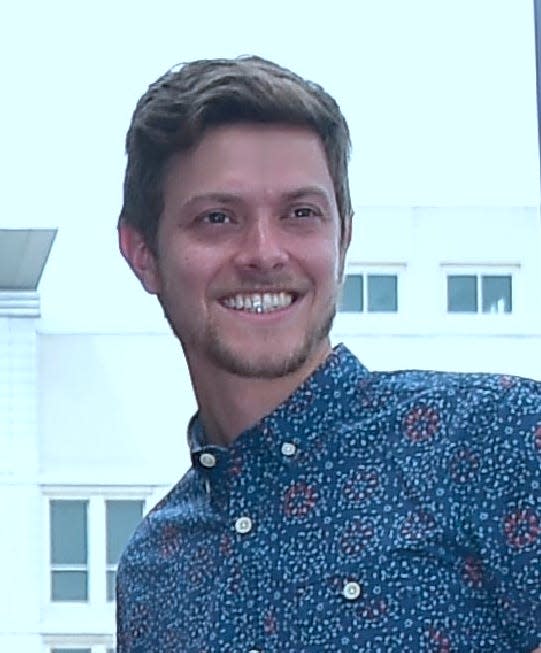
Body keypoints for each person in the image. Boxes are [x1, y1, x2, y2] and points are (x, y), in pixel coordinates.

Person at [116, 56, 541, 652]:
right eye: (218, 218)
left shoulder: (498, 437)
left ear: (343, 236)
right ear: (142, 254)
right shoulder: (154, 569)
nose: (264, 253)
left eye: (300, 214)